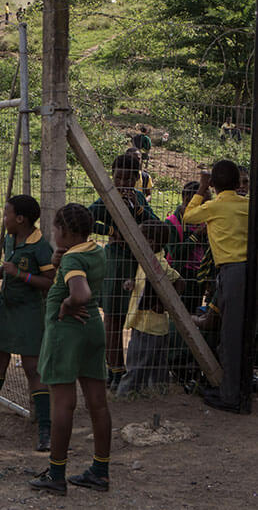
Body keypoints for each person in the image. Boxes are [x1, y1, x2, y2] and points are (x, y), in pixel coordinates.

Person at [30, 204, 111, 496]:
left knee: (62, 404)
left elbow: (80, 293)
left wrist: (66, 304)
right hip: (92, 329)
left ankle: (56, 473)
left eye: (54, 228)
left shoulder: (73, 259)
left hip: (67, 333)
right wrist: (56, 262)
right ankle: (100, 471)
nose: (53, 232)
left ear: (64, 230)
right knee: (98, 403)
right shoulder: (95, 250)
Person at [0, 195, 54, 451]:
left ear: (20, 219)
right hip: (5, 308)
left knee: (33, 369)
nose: (2, 219)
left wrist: (22, 275)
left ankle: (45, 430)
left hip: (28, 312)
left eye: (6, 215)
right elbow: (8, 267)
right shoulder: (10, 238)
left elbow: (50, 282)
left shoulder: (40, 247)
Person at [182, 160, 250, 412]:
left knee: (230, 336)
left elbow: (188, 216)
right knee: (243, 334)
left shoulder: (213, 206)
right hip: (249, 272)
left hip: (231, 272)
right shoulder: (246, 204)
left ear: (214, 184)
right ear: (237, 183)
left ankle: (231, 397)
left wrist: (201, 189)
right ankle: (240, 388)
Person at [88, 153, 157, 390]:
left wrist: (139, 210)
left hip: (136, 266)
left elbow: (155, 225)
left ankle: (130, 371)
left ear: (136, 179)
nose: (123, 182)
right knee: (113, 320)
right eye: (119, 177)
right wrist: (109, 231)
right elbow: (86, 219)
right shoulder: (106, 198)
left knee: (136, 319)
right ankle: (115, 371)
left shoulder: (138, 198)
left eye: (129, 178)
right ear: (112, 175)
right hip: (115, 265)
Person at [117, 221, 182, 398]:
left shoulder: (157, 263)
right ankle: (157, 393)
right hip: (151, 324)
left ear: (151, 243)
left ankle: (125, 395)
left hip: (148, 324)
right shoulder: (147, 259)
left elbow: (178, 281)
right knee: (157, 364)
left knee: (137, 363)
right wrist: (133, 283)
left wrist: (165, 304)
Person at [165, 180, 207, 314]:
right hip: (180, 275)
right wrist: (196, 236)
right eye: (203, 203)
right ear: (188, 199)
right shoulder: (172, 222)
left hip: (199, 276)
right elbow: (176, 253)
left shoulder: (203, 220)